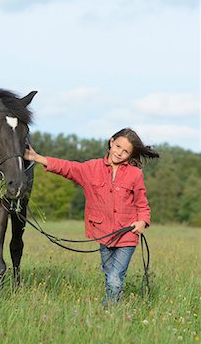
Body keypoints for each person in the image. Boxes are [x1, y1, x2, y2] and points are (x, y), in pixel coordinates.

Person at [24, 128, 159, 307]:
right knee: (110, 274)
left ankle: (109, 311)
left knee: (114, 278)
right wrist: (38, 158)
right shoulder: (91, 168)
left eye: (126, 151)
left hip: (127, 235)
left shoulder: (135, 174)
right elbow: (67, 167)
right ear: (111, 142)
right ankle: (114, 303)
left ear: (131, 154)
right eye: (118, 146)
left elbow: (142, 203)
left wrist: (143, 221)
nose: (120, 152)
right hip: (102, 233)